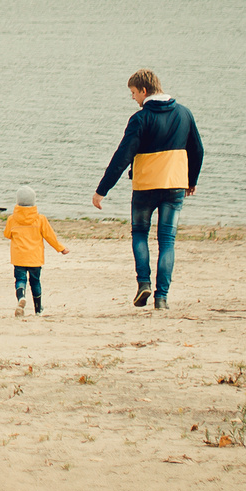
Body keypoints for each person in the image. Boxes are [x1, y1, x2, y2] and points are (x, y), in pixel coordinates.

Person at [91, 68, 202, 310]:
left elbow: (122, 156)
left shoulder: (140, 119)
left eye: (133, 93)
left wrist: (102, 190)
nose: (133, 98)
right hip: (174, 186)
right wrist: (191, 180)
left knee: (140, 234)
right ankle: (162, 298)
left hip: (145, 188)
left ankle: (144, 283)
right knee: (167, 241)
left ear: (144, 91)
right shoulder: (184, 114)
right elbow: (197, 150)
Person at [3, 186, 66, 317]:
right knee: (35, 281)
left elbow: (7, 234)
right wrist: (61, 248)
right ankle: (38, 309)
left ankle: (21, 297)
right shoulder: (40, 219)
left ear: (17, 202)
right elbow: (50, 236)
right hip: (35, 257)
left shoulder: (12, 219)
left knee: (20, 279)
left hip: (19, 257)